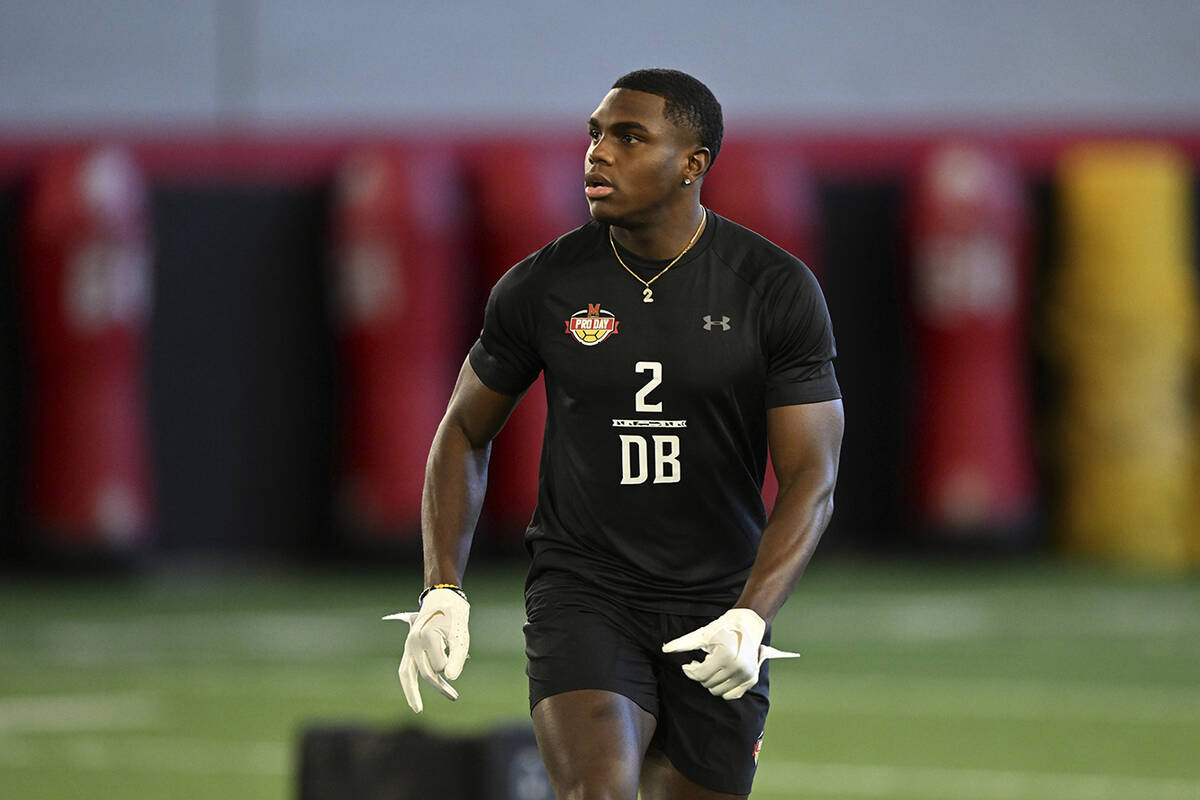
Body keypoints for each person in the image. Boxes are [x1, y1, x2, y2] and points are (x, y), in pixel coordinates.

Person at [387, 68, 844, 800]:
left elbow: (811, 480)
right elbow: (464, 432)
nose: (599, 154)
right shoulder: (542, 285)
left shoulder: (774, 288)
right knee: (596, 791)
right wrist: (443, 587)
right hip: (584, 590)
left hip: (717, 602)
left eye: (630, 137)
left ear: (693, 163)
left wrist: (752, 618)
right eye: (596, 134)